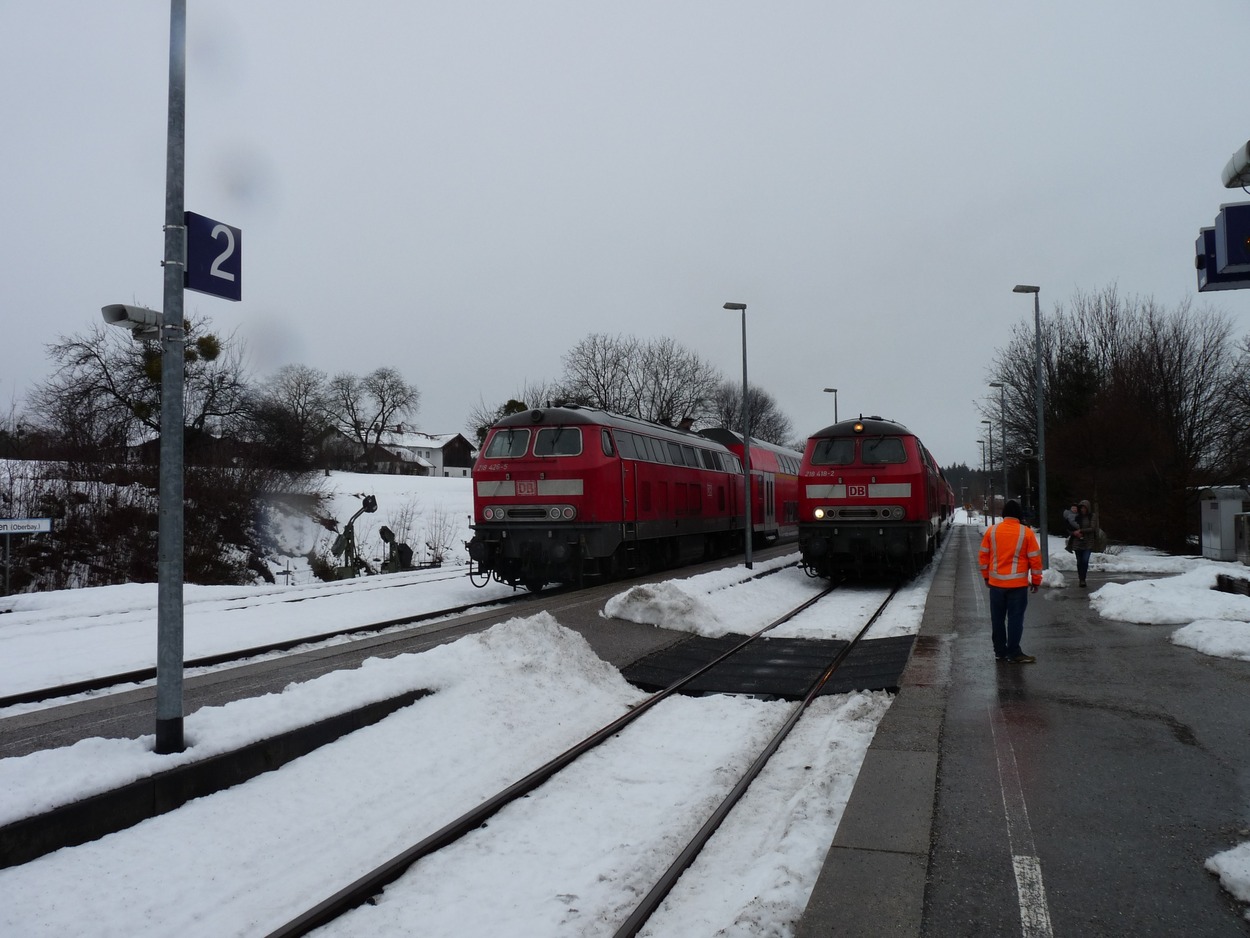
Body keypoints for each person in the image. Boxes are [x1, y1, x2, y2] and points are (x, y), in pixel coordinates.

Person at [979, 499, 1043, 663]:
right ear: (1019, 515)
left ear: (1004, 514)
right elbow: (1035, 559)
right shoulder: (1026, 533)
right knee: (1015, 619)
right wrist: (1036, 581)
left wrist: (986, 576)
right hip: (1017, 585)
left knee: (997, 619)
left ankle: (1000, 651)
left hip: (996, 585)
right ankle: (1014, 652)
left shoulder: (992, 531)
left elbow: (983, 556)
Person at [1072, 499, 1097, 587]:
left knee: (1085, 560)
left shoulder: (1092, 516)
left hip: (1088, 542)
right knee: (1079, 561)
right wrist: (1075, 533)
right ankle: (1081, 578)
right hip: (1077, 542)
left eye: (1084, 508)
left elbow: (1092, 528)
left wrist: (1081, 531)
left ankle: (1083, 578)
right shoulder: (1076, 517)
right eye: (1081, 508)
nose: (1083, 510)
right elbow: (1070, 527)